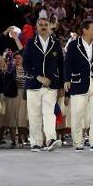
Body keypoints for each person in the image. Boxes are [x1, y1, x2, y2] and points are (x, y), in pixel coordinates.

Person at [23, 18, 64, 152]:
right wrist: (38, 77)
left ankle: (50, 139)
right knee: (34, 115)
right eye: (40, 25)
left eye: (46, 25)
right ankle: (36, 143)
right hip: (33, 84)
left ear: (50, 27)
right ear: (37, 27)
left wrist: (62, 85)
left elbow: (61, 65)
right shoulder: (30, 42)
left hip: (51, 85)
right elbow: (26, 64)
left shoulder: (56, 43)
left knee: (49, 113)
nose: (43, 27)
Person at [64, 18, 93, 152]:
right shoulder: (74, 45)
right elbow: (67, 63)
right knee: (77, 114)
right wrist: (66, 79)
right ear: (84, 30)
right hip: (79, 83)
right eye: (92, 29)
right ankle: (78, 142)